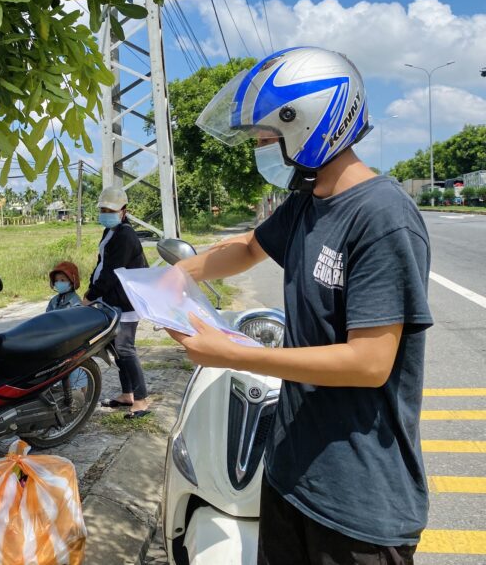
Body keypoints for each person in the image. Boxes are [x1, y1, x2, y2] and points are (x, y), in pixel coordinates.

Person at [167, 47, 432, 565]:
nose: (261, 150)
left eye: (267, 139)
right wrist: (177, 273)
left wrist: (231, 353)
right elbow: (247, 248)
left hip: (359, 503)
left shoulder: (382, 216)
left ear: (307, 124)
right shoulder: (308, 202)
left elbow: (368, 363)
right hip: (291, 476)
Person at [83, 187, 151, 419]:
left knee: (125, 348)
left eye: (110, 210)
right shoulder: (110, 232)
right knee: (116, 349)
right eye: (102, 209)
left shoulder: (125, 235)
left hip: (126, 302)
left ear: (124, 211)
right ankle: (127, 394)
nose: (105, 213)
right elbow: (102, 264)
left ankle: (141, 400)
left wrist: (90, 295)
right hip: (112, 300)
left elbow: (112, 272)